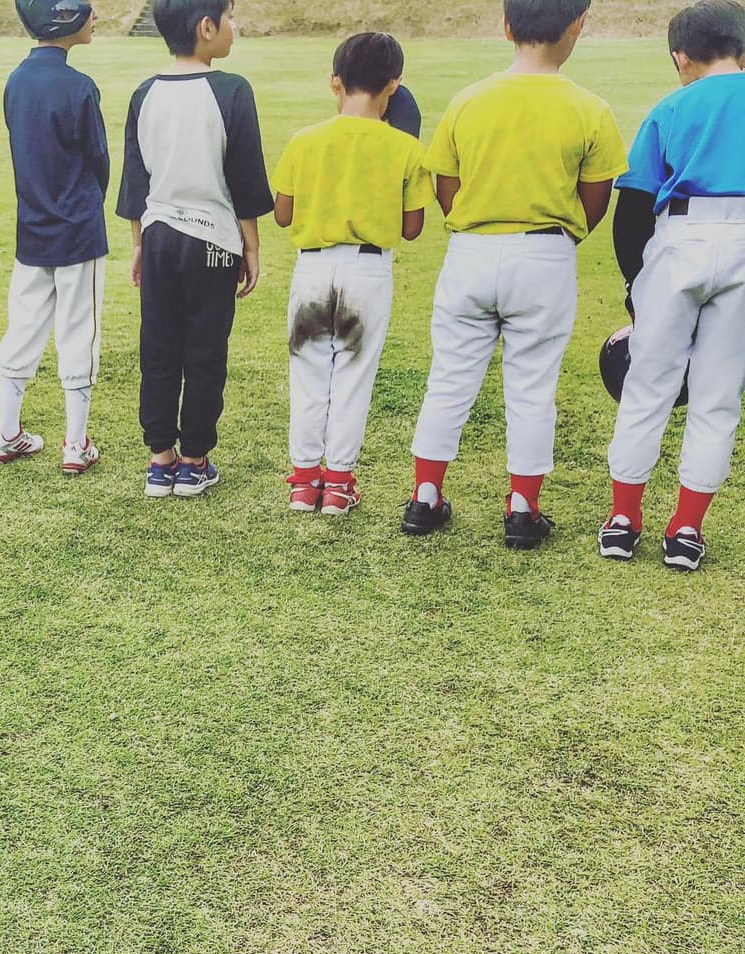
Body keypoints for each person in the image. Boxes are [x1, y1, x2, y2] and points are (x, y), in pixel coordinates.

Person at [403, 0, 627, 549]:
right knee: (532, 387)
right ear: (577, 25)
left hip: (472, 250)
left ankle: (425, 498)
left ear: (506, 27)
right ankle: (523, 509)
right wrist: (562, 233)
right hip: (545, 253)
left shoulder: (468, 100)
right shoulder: (589, 107)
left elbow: (446, 188)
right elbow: (595, 201)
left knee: (449, 378)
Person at [601, 0, 745, 571]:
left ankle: (621, 523)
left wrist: (637, 289)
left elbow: (632, 210)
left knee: (647, 388)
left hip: (680, 238)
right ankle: (685, 531)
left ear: (680, 58)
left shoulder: (670, 105)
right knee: (717, 397)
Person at [116, 0, 273, 498]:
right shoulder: (231, 90)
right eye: (229, 18)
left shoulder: (145, 93)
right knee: (205, 351)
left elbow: (136, 179)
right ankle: (194, 460)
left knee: (158, 347)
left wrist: (139, 244)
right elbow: (243, 176)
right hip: (212, 242)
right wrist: (251, 247)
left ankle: (159, 460)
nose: (234, 27)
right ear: (206, 28)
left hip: (159, 238)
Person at [272, 33, 433, 515]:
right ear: (394, 85)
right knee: (352, 378)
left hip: (313, 266)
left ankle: (304, 481)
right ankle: (339, 483)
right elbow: (412, 227)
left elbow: (282, 214)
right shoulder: (403, 147)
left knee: (308, 373)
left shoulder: (305, 140)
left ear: (335, 82)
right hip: (368, 269)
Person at [0, 0, 110, 475]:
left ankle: (7, 432)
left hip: (31, 225)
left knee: (23, 327)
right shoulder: (80, 86)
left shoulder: (16, 80)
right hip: (78, 228)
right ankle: (75, 444)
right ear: (64, 19)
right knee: (80, 331)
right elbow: (98, 159)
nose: (95, 16)